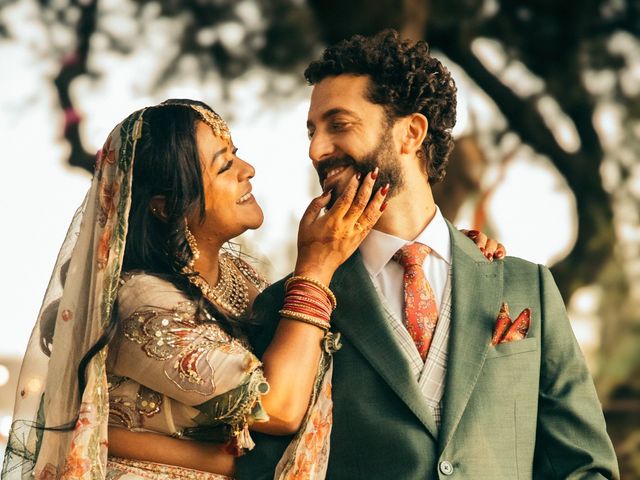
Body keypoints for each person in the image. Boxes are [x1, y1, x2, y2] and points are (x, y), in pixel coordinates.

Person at [2, 99, 501, 480]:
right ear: (164, 206)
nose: (248, 170)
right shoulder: (142, 303)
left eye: (236, 154)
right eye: (223, 166)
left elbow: (332, 354)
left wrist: (436, 259)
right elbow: (278, 407)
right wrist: (317, 266)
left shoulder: (244, 284)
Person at [236, 30, 620, 479]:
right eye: (312, 131)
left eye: (338, 125)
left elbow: (585, 466)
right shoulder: (287, 308)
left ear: (411, 133)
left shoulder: (525, 286)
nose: (316, 149)